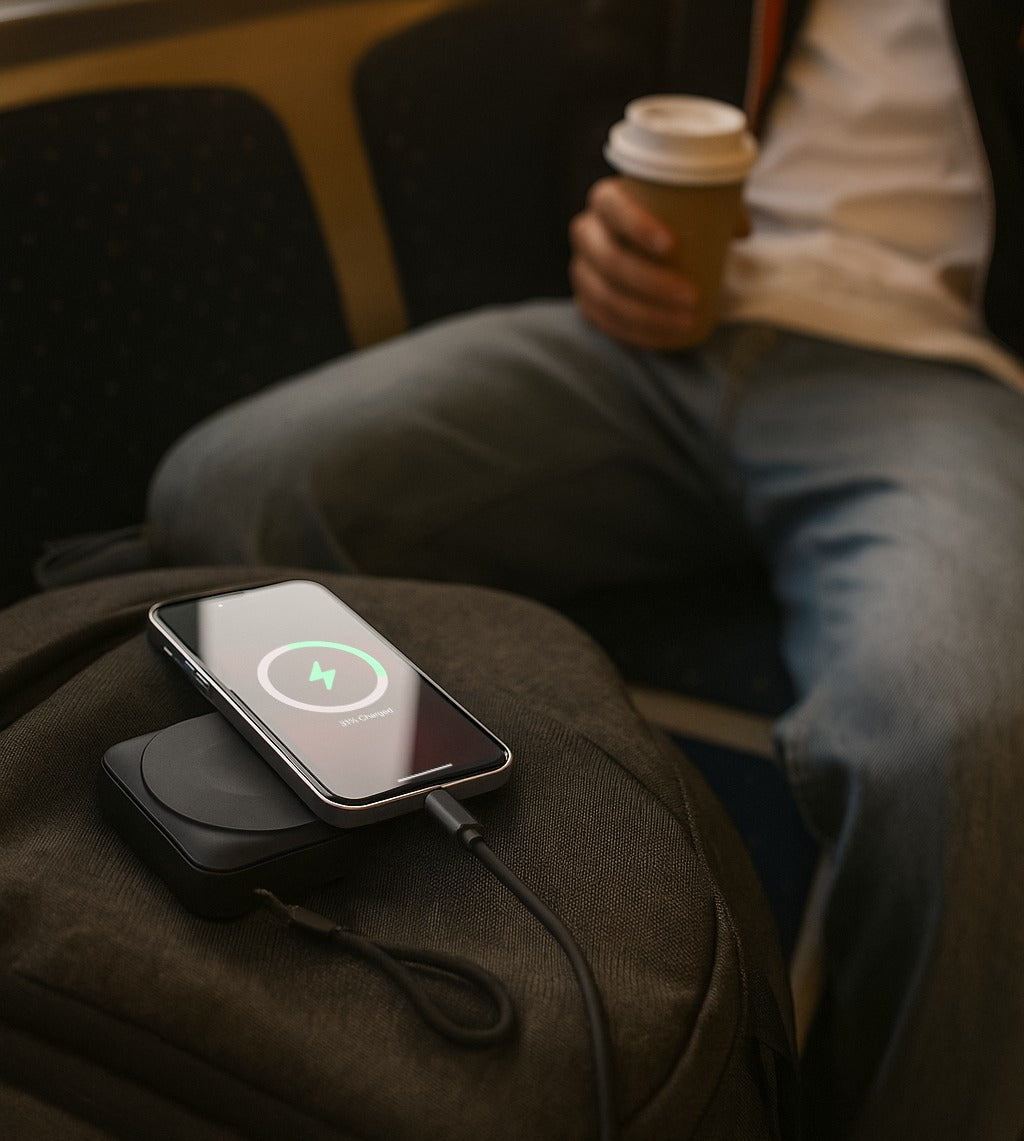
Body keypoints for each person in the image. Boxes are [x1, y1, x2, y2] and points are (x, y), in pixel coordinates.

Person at [146, 0, 1024, 1136]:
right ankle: (382, 945)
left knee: (961, 742)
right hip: (662, 340)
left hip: (941, 376)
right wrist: (605, 233)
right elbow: (606, 92)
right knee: (231, 490)